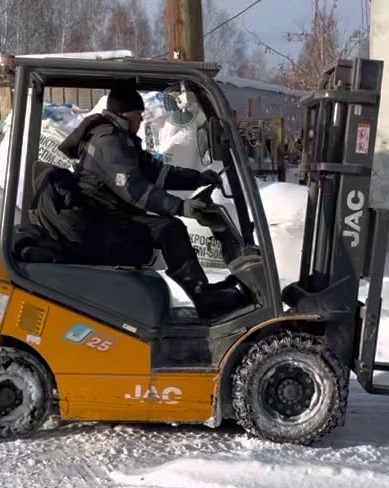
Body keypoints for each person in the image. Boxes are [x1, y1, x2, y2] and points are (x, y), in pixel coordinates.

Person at [57, 83, 251, 320]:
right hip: (100, 221)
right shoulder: (108, 141)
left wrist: (198, 178)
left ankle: (203, 292)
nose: (140, 123)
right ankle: (204, 298)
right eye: (138, 116)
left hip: (108, 215)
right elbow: (135, 188)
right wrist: (181, 207)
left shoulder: (120, 139)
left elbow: (157, 172)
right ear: (125, 115)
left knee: (169, 228)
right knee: (170, 229)